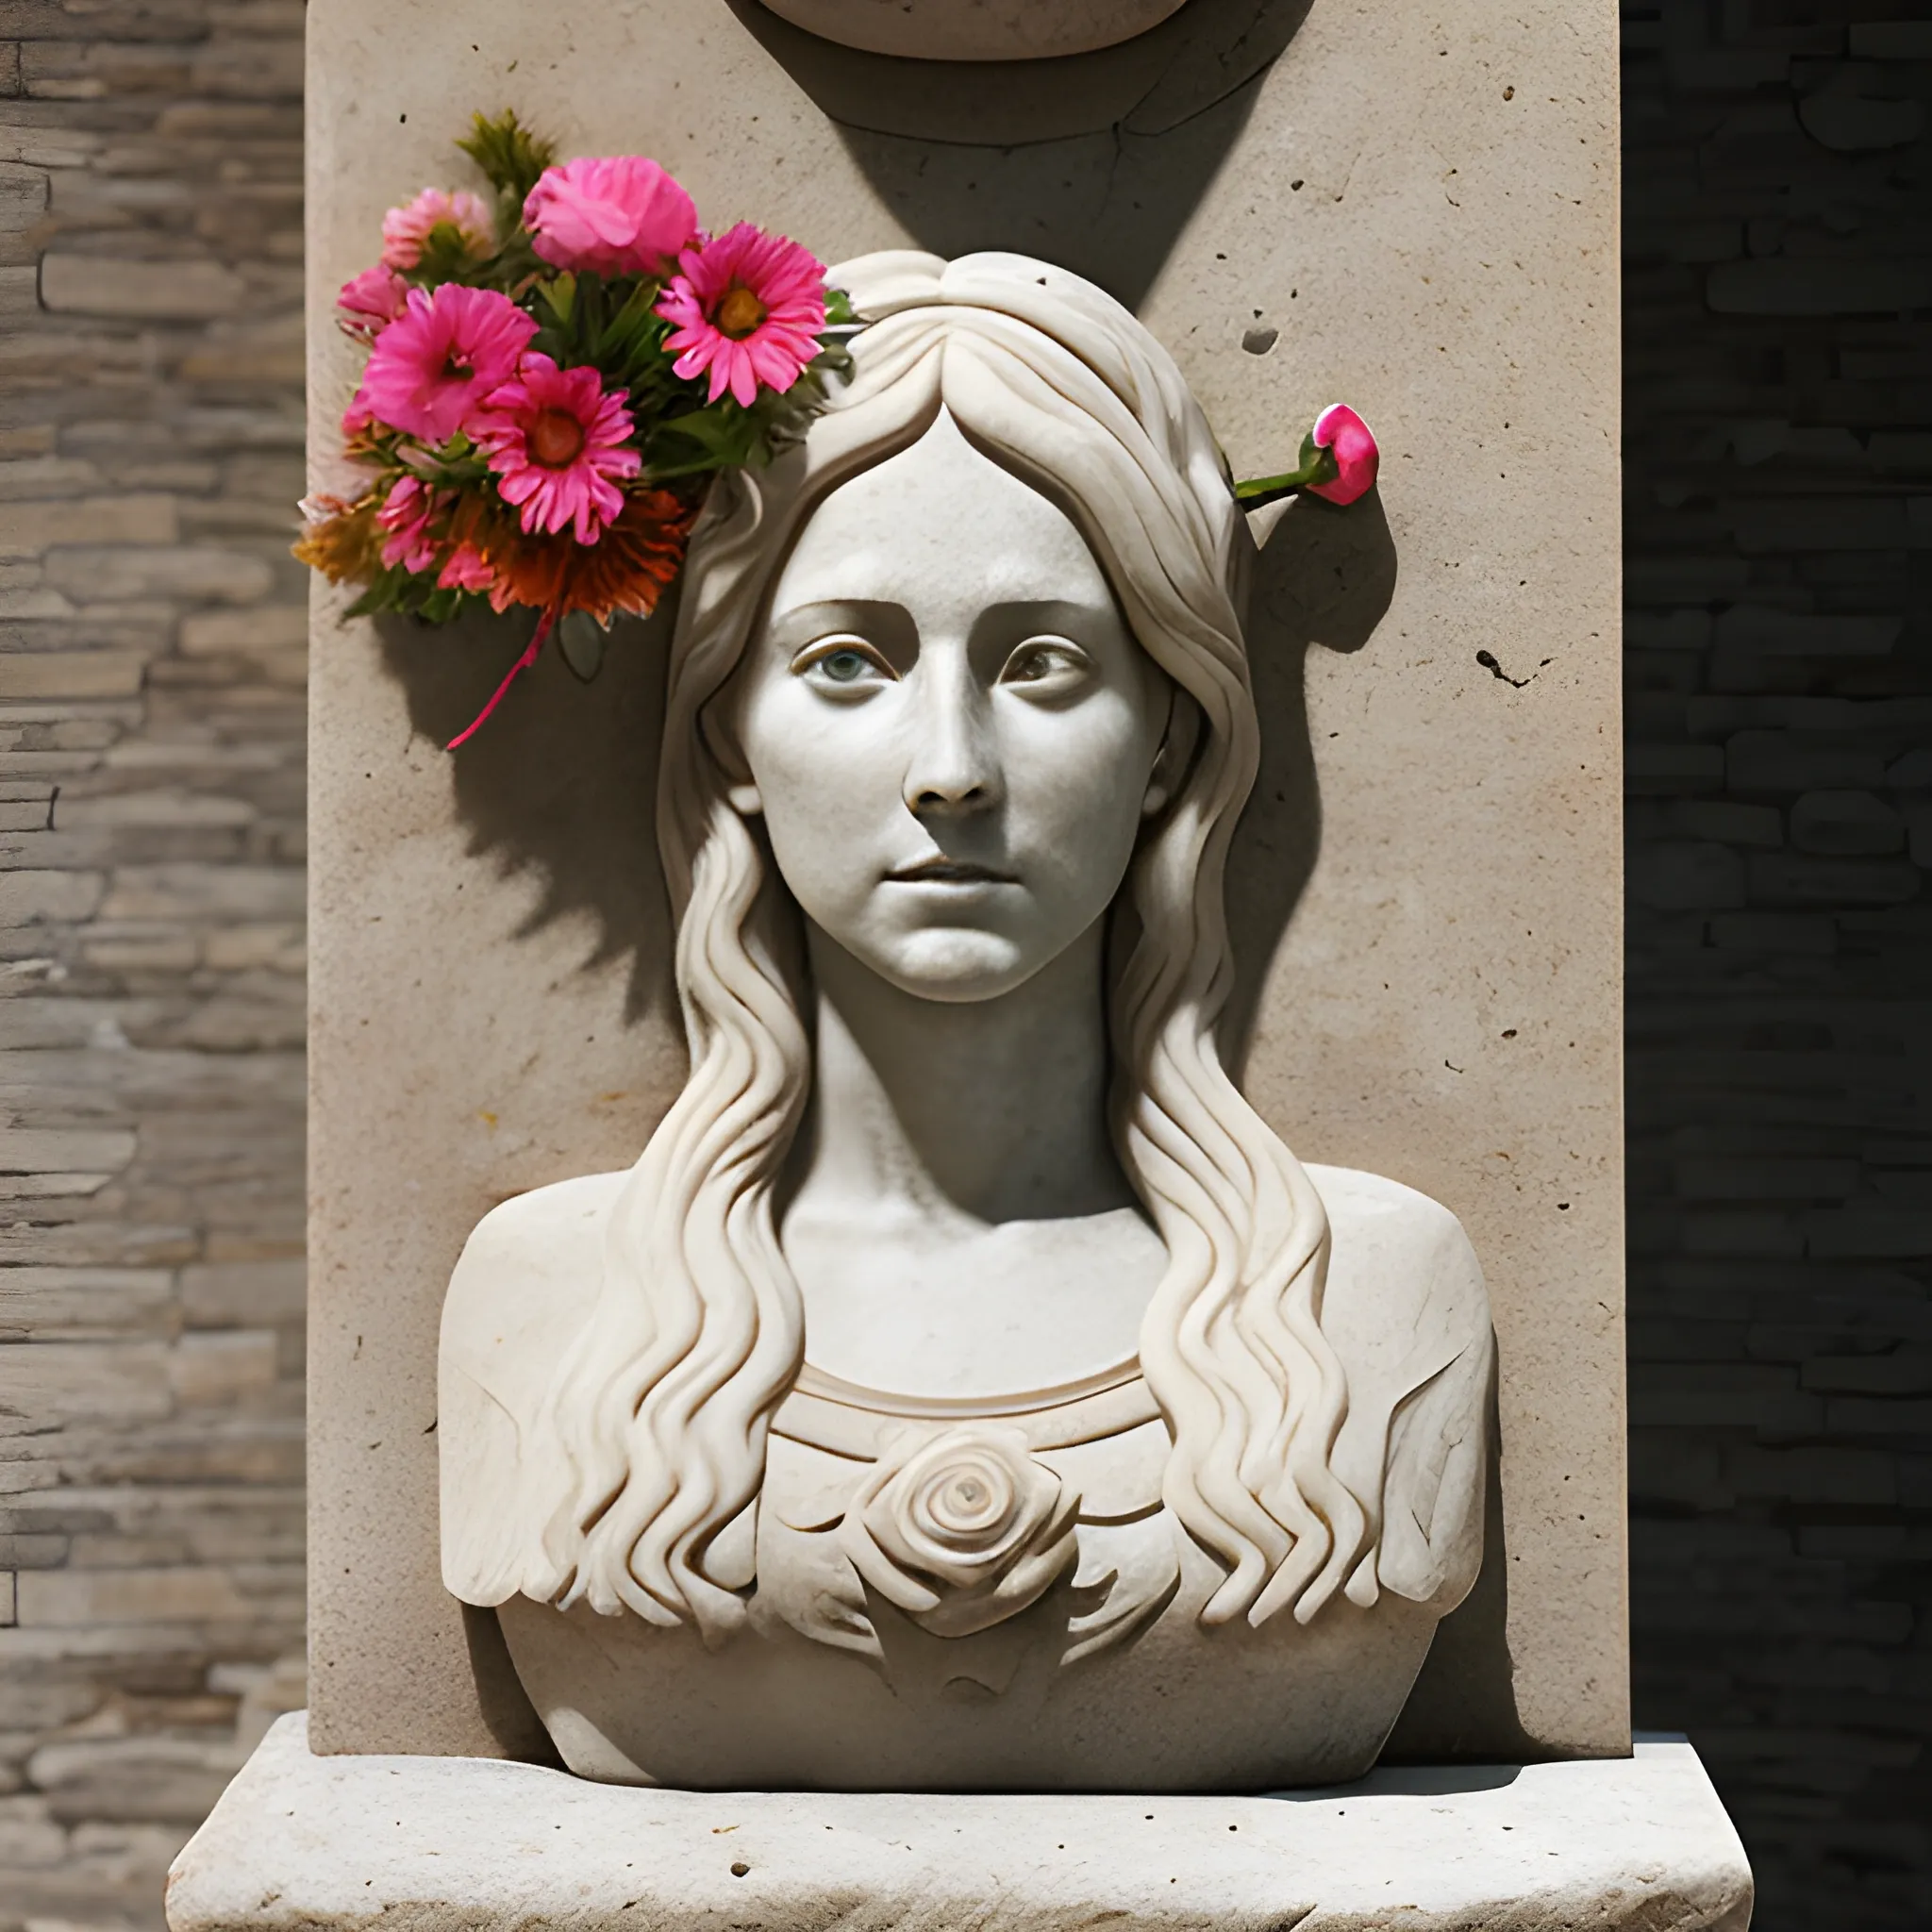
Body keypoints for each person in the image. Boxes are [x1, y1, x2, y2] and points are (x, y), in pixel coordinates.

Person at [439, 251, 1491, 1790]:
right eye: (848, 662)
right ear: (732, 729)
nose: (951, 768)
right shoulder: (559, 1313)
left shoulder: (1363, 1309)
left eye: (1044, 664)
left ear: (1165, 742)